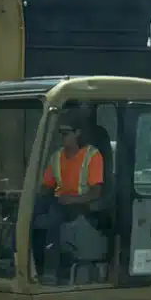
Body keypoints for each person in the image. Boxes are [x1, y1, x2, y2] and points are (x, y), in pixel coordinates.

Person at [32, 110, 107, 280]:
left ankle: (51, 270)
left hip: (82, 205)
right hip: (60, 201)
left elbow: (96, 191)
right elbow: (46, 185)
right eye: (60, 133)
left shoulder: (92, 155)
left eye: (66, 133)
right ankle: (29, 262)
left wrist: (73, 199)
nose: (62, 137)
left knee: (52, 218)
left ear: (78, 133)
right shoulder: (57, 156)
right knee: (31, 213)